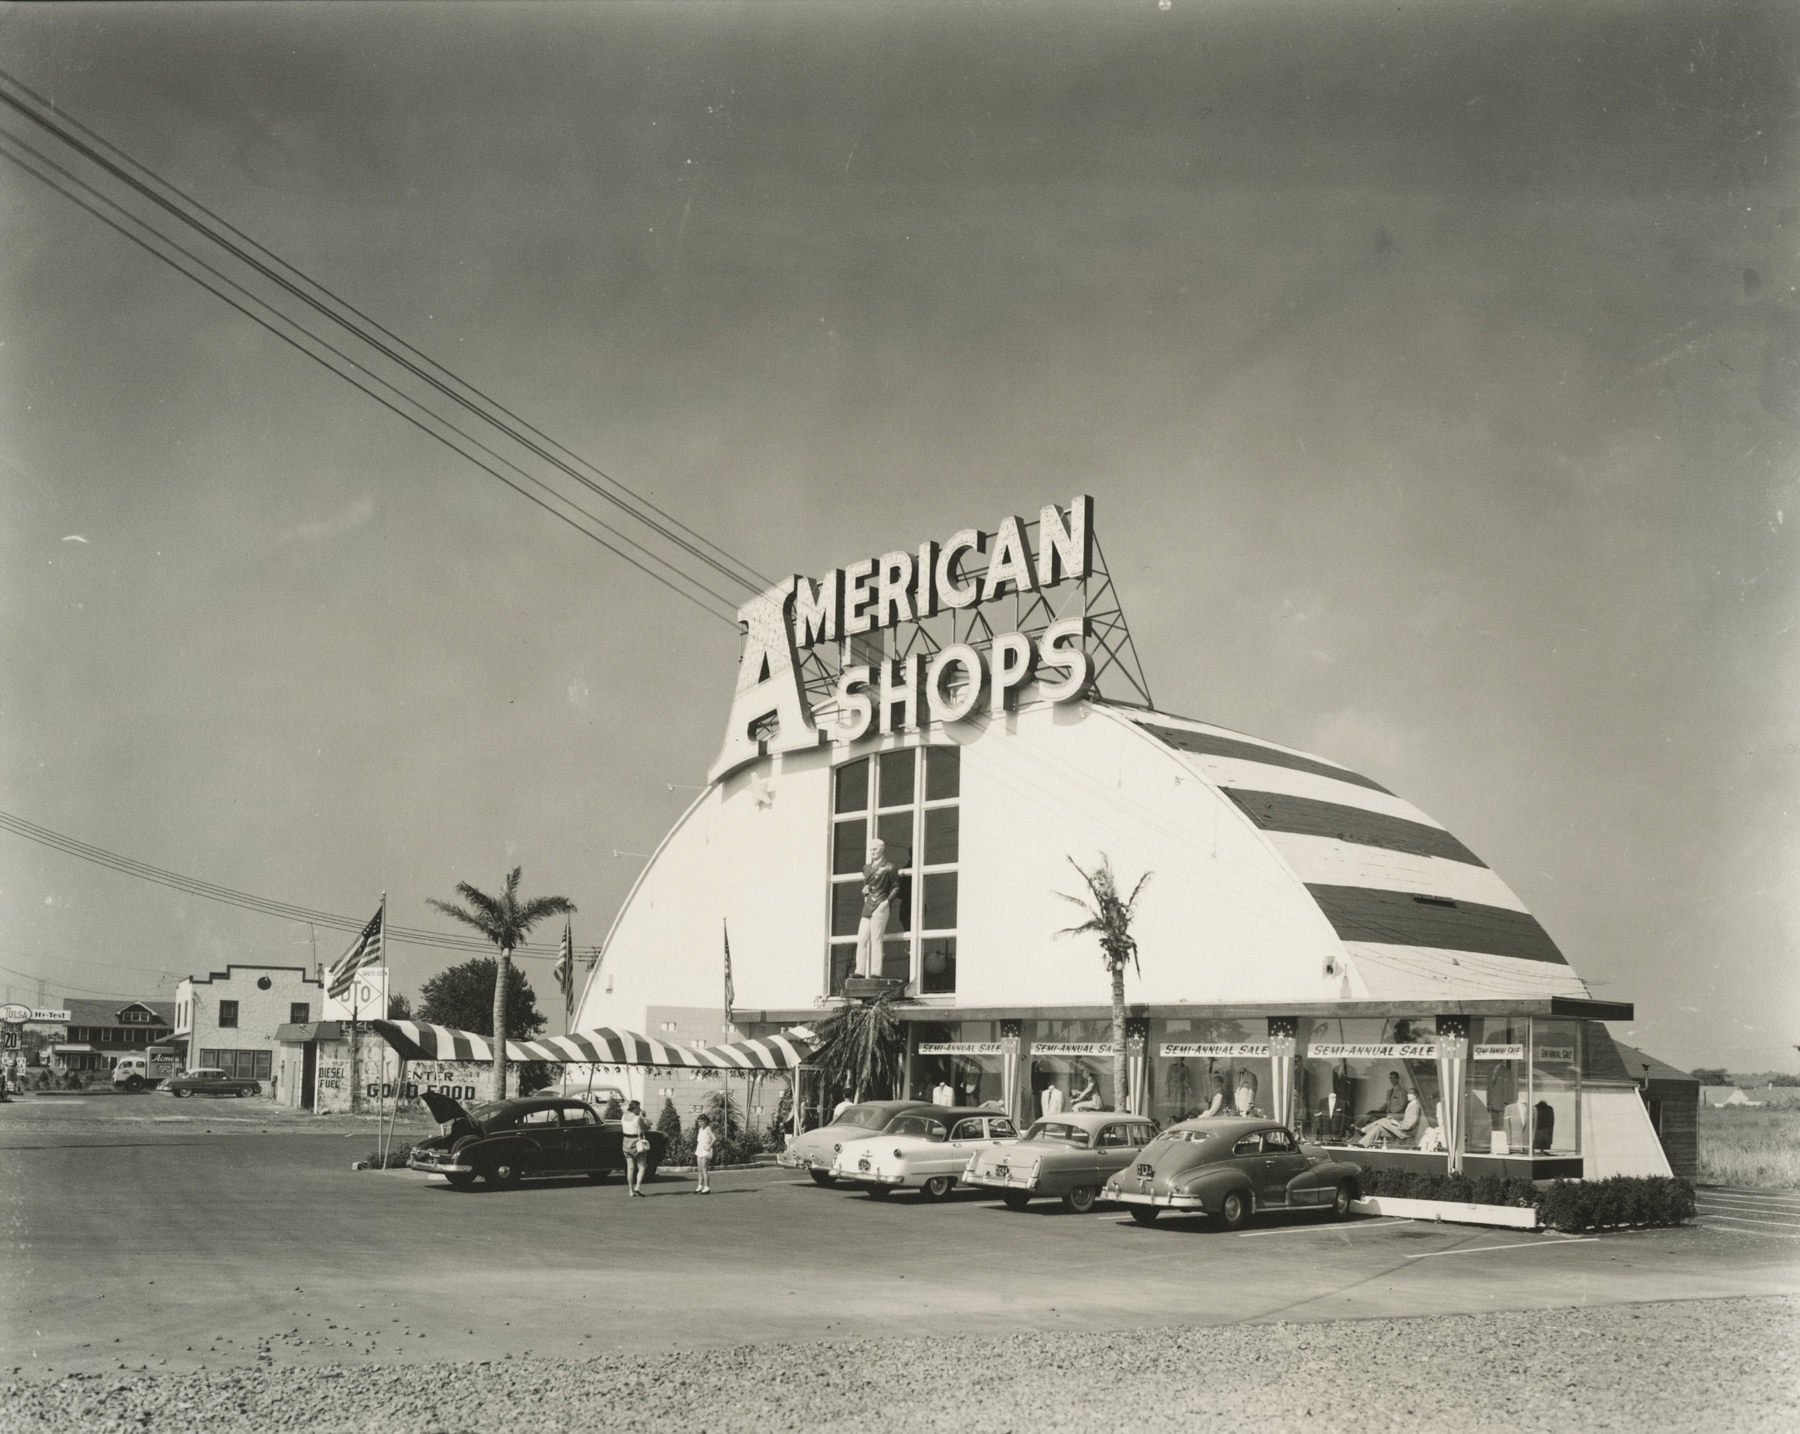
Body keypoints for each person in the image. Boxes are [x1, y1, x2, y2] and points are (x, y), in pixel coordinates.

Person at [854, 839, 903, 977]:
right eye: (871, 849)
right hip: (868, 905)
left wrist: (886, 902)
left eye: (875, 849)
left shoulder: (889, 867)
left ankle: (876, 971)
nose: (872, 852)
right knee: (861, 939)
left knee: (876, 939)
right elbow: (868, 885)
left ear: (882, 849)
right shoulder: (866, 868)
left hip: (880, 903)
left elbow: (896, 887)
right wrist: (865, 891)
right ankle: (859, 970)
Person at [1359, 1089, 1423, 1147]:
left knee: (1384, 1120)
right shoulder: (1411, 1105)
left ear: (1415, 1096)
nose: (1407, 1095)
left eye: (1410, 1093)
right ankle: (1362, 1144)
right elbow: (1406, 1122)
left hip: (1405, 1133)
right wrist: (1396, 1121)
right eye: (1408, 1093)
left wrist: (1397, 1124)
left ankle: (1364, 1130)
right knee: (1379, 1128)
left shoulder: (1415, 1107)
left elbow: (1409, 1125)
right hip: (1402, 1130)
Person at [620, 1098, 651, 1197]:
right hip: (637, 1143)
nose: (640, 1110)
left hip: (626, 1142)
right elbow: (647, 1127)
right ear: (635, 1108)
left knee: (630, 1168)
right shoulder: (638, 1118)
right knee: (642, 1166)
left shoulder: (623, 1116)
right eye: (638, 1108)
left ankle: (631, 1190)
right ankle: (638, 1186)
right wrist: (645, 1117)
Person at [693, 1114, 715, 1194]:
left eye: (702, 1121)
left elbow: (714, 1138)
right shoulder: (700, 1129)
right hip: (699, 1150)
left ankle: (707, 1188)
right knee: (700, 1171)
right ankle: (700, 1186)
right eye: (699, 1121)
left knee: (704, 1169)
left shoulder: (708, 1129)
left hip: (705, 1151)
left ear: (706, 1121)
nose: (700, 1123)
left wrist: (709, 1146)